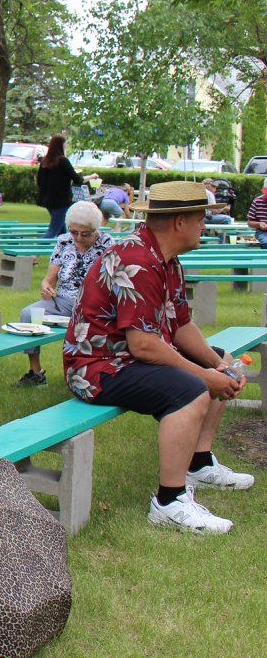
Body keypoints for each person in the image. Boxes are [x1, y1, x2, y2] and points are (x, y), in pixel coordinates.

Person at [64, 181, 254, 533]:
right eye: (201, 219)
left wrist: (218, 366)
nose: (204, 226)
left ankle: (198, 463)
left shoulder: (164, 259)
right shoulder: (137, 261)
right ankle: (169, 502)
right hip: (96, 367)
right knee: (192, 391)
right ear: (180, 222)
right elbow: (143, 345)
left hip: (127, 356)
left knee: (220, 361)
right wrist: (205, 376)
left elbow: (180, 325)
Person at [15, 201, 114, 386]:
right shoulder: (63, 241)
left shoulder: (107, 244)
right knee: (27, 314)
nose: (78, 238)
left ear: (95, 230)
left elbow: (112, 283)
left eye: (85, 233)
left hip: (93, 305)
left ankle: (88, 375)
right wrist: (46, 286)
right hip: (62, 302)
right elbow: (49, 279)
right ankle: (36, 372)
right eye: (74, 232)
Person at [36, 134, 82, 238]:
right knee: (53, 230)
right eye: (65, 143)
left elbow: (39, 181)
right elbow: (77, 179)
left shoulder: (44, 161)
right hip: (61, 201)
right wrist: (90, 177)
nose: (66, 145)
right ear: (61, 145)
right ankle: (37, 249)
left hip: (48, 200)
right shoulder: (63, 161)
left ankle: (64, 247)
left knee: (62, 229)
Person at [247, 178, 267, 248]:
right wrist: (259, 224)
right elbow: (249, 223)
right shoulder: (257, 201)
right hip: (263, 232)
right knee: (266, 243)